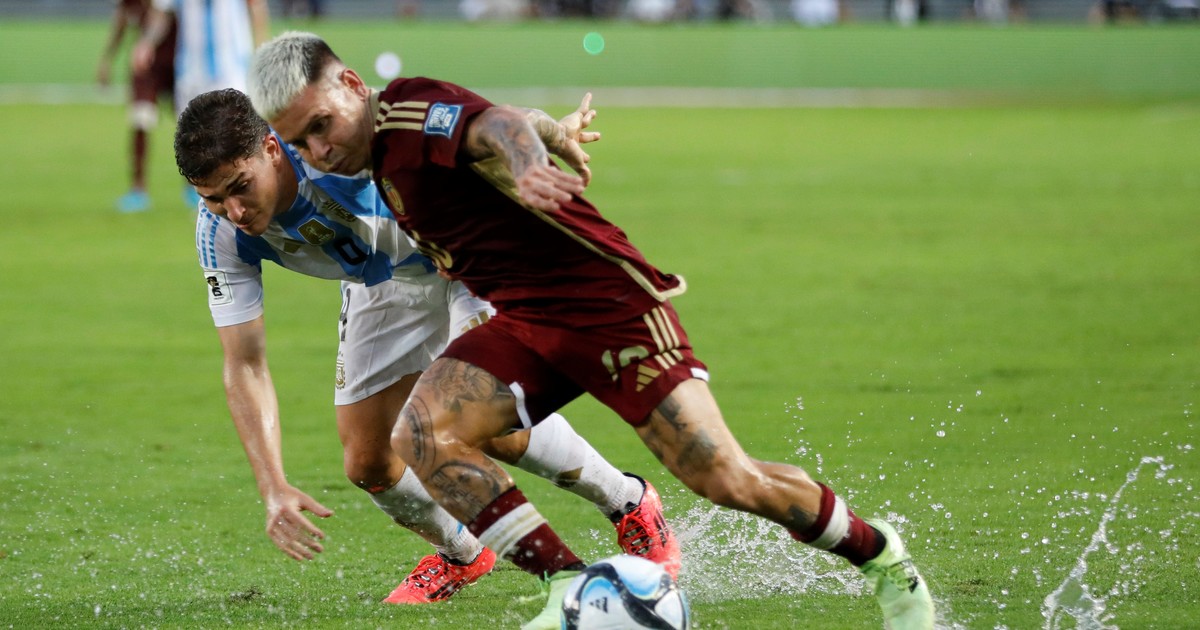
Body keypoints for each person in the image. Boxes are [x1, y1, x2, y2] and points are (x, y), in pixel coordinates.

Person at [248, 31, 936, 630]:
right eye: (299, 141)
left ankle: (883, 559)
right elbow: (506, 122)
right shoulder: (372, 157)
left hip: (609, 310)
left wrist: (528, 161)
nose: (317, 149)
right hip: (525, 320)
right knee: (424, 434)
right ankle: (568, 587)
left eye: (321, 125)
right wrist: (551, 133)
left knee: (728, 479)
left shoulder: (406, 111)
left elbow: (494, 126)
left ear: (351, 85)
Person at [173, 88, 681, 604]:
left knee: (480, 417)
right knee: (369, 463)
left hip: (466, 253)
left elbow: (458, 126)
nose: (233, 210)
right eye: (212, 197)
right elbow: (245, 362)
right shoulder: (220, 232)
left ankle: (629, 502)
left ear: (272, 149)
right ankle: (462, 552)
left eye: (241, 186)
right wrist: (272, 486)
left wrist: (545, 131)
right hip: (383, 279)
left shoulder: (331, 149)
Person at [132, 0, 270, 208]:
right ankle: (200, 192)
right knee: (193, 135)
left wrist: (261, 47)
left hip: (232, 66)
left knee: (236, 133)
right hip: (191, 68)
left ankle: (244, 187)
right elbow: (162, 14)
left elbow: (257, 8)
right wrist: (147, 43)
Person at [96, 0, 177, 213]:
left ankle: (194, 186)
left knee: (191, 123)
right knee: (140, 119)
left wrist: (147, 42)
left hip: (177, 63)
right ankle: (138, 190)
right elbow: (121, 21)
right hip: (146, 68)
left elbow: (161, 17)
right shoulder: (127, 4)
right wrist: (107, 60)